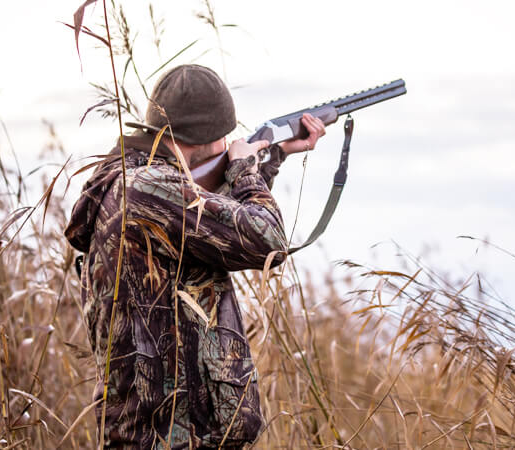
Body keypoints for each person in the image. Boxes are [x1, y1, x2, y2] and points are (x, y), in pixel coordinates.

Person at [65, 64, 325, 449]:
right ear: (204, 137)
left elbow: (217, 223)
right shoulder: (151, 188)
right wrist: (243, 167)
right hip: (171, 437)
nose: (227, 144)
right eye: (223, 137)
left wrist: (273, 158)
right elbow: (268, 239)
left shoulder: (135, 181)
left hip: (164, 432)